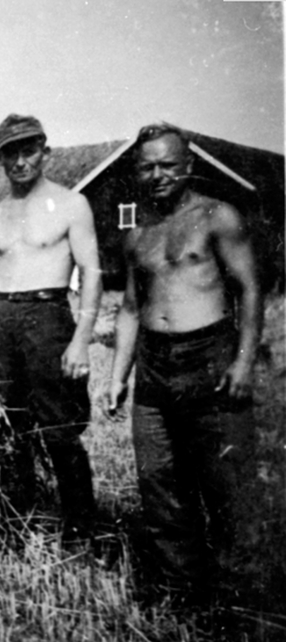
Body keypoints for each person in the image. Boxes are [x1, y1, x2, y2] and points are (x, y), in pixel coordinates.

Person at [106, 123, 262, 607]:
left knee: (226, 486)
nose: (157, 175)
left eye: (167, 165)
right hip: (154, 367)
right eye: (147, 166)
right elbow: (131, 308)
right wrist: (117, 378)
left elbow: (250, 290)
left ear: (188, 165)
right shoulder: (138, 235)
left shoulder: (218, 217)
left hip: (208, 358)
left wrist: (242, 363)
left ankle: (238, 599)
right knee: (160, 485)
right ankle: (181, 593)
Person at [0, 115, 103, 546]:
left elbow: (91, 273)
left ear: (45, 151)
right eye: (11, 153)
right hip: (1, 320)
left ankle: (80, 531)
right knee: (8, 429)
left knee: (59, 430)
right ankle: (15, 524)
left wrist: (80, 339)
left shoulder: (70, 204)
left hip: (48, 317)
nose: (21, 161)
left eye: (29, 150)